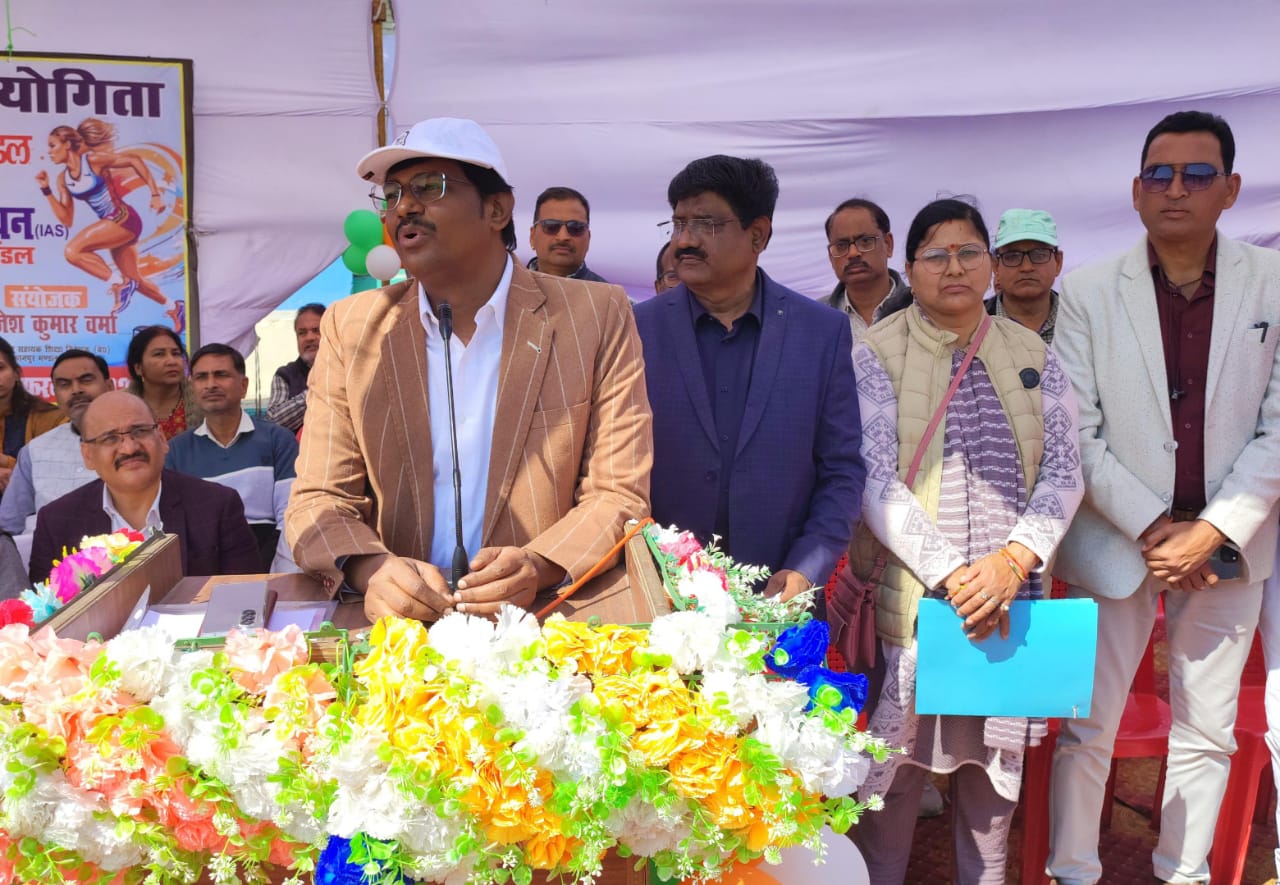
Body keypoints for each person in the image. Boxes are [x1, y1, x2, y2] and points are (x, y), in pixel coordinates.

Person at [286, 117, 652, 622]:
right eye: (391, 195)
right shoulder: (353, 327)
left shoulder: (595, 314)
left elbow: (618, 493)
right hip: (401, 630)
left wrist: (540, 564)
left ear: (496, 209)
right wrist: (371, 569)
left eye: (428, 187)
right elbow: (319, 498)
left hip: (543, 622)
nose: (404, 207)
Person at [1048, 111, 1280, 885]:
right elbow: (1076, 432)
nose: (1176, 189)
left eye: (1197, 174)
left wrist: (1210, 529)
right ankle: (1073, 870)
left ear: (1231, 189)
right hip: (1118, 540)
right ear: (1137, 190)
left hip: (1228, 547)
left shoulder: (1274, 283)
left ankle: (1182, 872)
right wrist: (1157, 525)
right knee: (1086, 725)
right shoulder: (1087, 291)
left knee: (1207, 729)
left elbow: (1279, 427)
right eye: (1160, 174)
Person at [842, 198, 1083, 884]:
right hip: (917, 609)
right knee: (889, 791)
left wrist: (1012, 562)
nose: (955, 267)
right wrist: (957, 577)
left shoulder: (1033, 353)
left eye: (969, 252)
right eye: (936, 255)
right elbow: (874, 479)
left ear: (990, 265)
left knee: (990, 801)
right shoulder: (873, 352)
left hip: (1010, 602)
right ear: (909, 267)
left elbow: (1066, 471)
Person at [634, 155, 864, 600]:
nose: (685, 241)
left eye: (705, 224)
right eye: (678, 224)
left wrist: (806, 567)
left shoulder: (821, 332)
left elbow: (842, 470)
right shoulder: (636, 330)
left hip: (780, 601)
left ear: (758, 234)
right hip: (658, 600)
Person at [29, 390, 260, 584]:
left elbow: (245, 600)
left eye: (139, 431)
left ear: (162, 439)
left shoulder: (217, 506)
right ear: (88, 455)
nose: (129, 448)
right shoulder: (57, 522)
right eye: (110, 438)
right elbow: (47, 618)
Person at [35, 119, 184, 332]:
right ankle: (174, 307)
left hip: (123, 217)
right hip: (113, 225)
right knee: (135, 280)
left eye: (52, 145)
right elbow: (67, 219)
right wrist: (46, 190)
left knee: (72, 251)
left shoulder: (92, 160)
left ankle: (118, 283)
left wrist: (155, 194)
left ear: (67, 144)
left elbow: (133, 160)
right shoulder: (62, 179)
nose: (49, 152)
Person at [166, 344, 299, 573]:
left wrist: (276, 579)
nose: (211, 384)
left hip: (269, 560)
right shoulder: (176, 451)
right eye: (201, 377)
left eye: (221, 375)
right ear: (192, 387)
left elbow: (290, 516)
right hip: (203, 567)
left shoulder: (278, 439)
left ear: (243, 386)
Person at [0, 349, 113, 537]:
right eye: (64, 384)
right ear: (56, 395)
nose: (76, 390)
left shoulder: (133, 442)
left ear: (109, 386)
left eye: (86, 380)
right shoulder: (34, 451)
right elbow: (10, 526)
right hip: (45, 553)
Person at [822, 197, 912, 344]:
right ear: (831, 256)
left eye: (865, 241)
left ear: (888, 244)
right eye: (841, 245)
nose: (853, 253)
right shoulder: (815, 317)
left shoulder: (923, 308)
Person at [987, 208, 1063, 344]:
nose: (1026, 267)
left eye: (1039, 255)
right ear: (995, 266)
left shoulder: (1081, 319)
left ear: (1058, 262)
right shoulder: (970, 325)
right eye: (1012, 257)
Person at [0, 337, 64, 492]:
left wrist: (10, 466)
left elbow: (61, 471)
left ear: (16, 373)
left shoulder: (51, 418)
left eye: (0, 368)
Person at [126, 325, 201, 440]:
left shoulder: (202, 401)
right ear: (138, 368)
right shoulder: (119, 406)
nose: (172, 361)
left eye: (176, 353)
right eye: (159, 354)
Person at [525, 186, 607, 282]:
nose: (563, 237)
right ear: (532, 236)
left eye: (575, 228)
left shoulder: (607, 291)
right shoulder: (510, 287)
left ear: (588, 239)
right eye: (551, 226)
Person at [265, 303, 324, 433]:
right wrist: (317, 390)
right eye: (302, 333)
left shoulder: (347, 370)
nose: (309, 338)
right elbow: (273, 421)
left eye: (316, 330)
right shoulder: (285, 375)